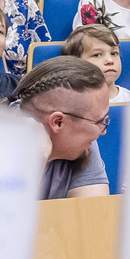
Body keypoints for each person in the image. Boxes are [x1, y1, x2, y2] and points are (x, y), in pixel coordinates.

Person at [13, 57, 112, 200]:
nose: (103, 131)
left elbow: (92, 211)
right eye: (99, 121)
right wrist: (36, 160)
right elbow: (5, 213)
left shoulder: (84, 144)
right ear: (58, 122)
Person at [61, 25, 130, 103]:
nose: (110, 60)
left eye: (114, 53)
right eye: (97, 55)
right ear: (76, 64)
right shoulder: (71, 104)